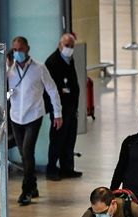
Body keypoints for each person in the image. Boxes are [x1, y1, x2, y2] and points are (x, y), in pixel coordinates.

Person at [0, 36, 62, 207]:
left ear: (28, 49)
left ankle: (26, 190)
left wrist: (58, 113)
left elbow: (52, 90)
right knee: (25, 154)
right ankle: (33, 186)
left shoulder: (39, 68)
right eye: (15, 50)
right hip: (16, 116)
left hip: (34, 115)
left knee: (27, 150)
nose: (18, 53)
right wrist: (6, 65)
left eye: (20, 49)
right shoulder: (10, 70)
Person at [44, 33, 83, 181]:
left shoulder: (69, 59)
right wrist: (55, 112)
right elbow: (50, 90)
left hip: (71, 107)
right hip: (59, 109)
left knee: (69, 139)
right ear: (60, 45)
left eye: (72, 46)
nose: (69, 49)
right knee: (57, 139)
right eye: (67, 46)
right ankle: (52, 169)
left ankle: (67, 168)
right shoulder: (53, 62)